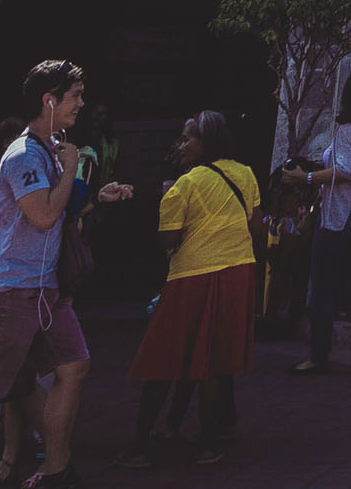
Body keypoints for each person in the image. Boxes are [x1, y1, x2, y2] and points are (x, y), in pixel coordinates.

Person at [0, 59, 132, 489]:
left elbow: (61, 207)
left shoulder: (48, 150)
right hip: (15, 290)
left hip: (46, 288)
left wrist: (94, 194)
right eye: (75, 96)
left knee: (73, 366)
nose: (81, 104)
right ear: (49, 101)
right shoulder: (25, 154)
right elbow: (42, 215)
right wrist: (72, 167)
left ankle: (56, 468)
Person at [125, 110, 261, 470]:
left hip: (191, 276)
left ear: (205, 143)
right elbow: (255, 227)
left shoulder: (185, 185)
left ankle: (139, 447)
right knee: (215, 362)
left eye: (188, 138)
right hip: (238, 271)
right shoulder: (245, 174)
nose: (182, 144)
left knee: (162, 358)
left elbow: (166, 239)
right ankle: (208, 444)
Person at [290, 68, 351, 375]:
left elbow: (346, 170)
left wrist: (305, 178)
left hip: (340, 214)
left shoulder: (349, 129)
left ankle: (317, 356)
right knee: (344, 281)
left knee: (322, 285)